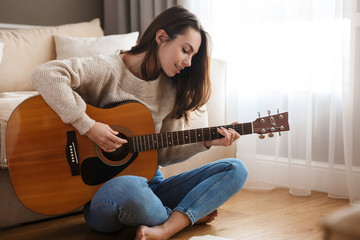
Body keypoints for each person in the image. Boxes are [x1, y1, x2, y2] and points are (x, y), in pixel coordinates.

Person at [31, 5, 248, 240]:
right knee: (129, 188)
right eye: (185, 50)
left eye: (193, 56)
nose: (188, 62)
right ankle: (182, 218)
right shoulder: (108, 69)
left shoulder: (170, 91)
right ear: (161, 37)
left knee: (236, 169)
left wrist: (205, 142)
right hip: (108, 195)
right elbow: (46, 74)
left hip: (151, 187)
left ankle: (164, 227)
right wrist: (89, 126)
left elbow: (163, 154)